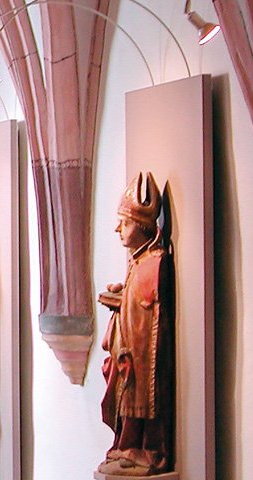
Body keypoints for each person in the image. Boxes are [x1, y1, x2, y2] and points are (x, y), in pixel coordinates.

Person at [97, 172, 174, 476]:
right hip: (128, 355)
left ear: (142, 227)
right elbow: (137, 303)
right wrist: (120, 297)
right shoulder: (138, 261)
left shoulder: (154, 263)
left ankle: (141, 450)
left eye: (125, 223)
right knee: (124, 401)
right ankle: (126, 447)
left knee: (139, 402)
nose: (118, 229)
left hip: (140, 358)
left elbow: (149, 313)